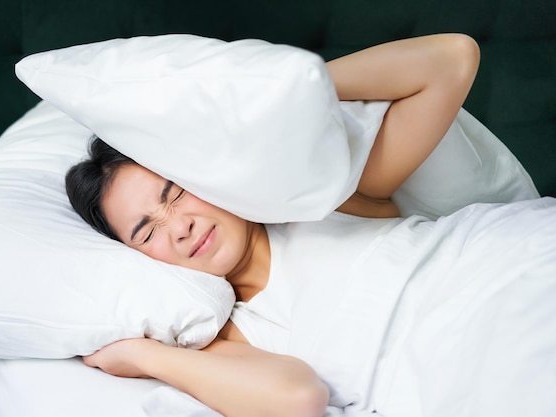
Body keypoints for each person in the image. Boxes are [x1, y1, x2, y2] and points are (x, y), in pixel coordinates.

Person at [65, 34, 556, 417]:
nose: (180, 227)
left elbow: (450, 59)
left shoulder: (328, 198)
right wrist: (144, 357)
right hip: (473, 369)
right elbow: (296, 400)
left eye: (174, 193)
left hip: (515, 263)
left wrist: (280, 98)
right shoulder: (224, 334)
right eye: (146, 232)